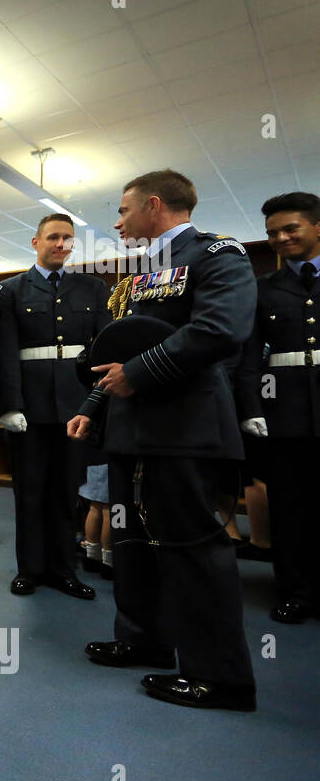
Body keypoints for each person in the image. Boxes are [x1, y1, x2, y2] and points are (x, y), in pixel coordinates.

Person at [69, 168, 256, 712]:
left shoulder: (217, 253)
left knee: (193, 550)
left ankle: (219, 678)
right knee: (131, 544)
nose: (117, 222)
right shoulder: (140, 272)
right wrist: (92, 406)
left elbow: (220, 329)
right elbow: (121, 351)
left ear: (154, 206)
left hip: (184, 430)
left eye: (123, 211)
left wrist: (138, 374)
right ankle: (143, 640)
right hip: (133, 431)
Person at [0, 213, 108, 599]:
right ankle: (30, 569)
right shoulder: (10, 290)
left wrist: (94, 405)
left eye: (68, 239)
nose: (62, 245)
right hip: (29, 407)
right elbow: (4, 350)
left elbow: (101, 353)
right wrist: (9, 404)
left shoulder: (92, 289)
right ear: (36, 242)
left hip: (75, 406)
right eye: (54, 238)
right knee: (29, 491)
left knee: (66, 492)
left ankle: (64, 570)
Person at [236, 191, 320, 624]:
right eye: (272, 233)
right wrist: (251, 407)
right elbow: (249, 356)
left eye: (291, 229)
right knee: (290, 507)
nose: (280, 238)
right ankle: (296, 592)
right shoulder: (263, 288)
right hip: (284, 415)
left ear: (317, 226)